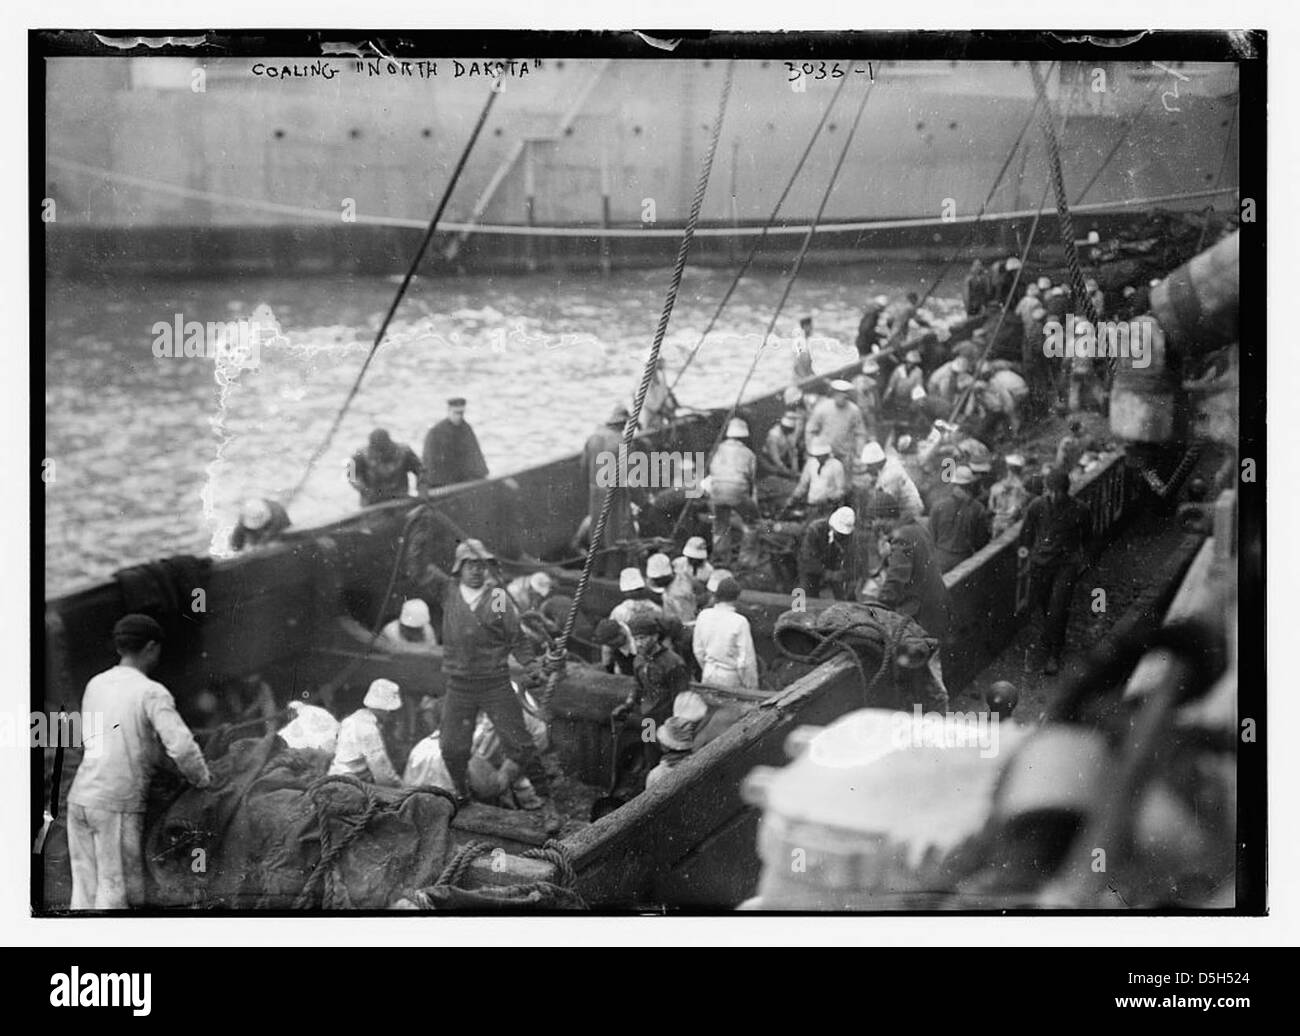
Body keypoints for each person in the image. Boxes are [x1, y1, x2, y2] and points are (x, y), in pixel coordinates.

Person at [66, 614, 212, 910]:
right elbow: (182, 747)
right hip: (115, 805)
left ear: (120, 648)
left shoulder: (96, 684)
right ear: (151, 648)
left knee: (83, 893)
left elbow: (100, 739)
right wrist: (202, 779)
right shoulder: (152, 692)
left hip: (80, 799)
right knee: (114, 893)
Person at [418, 538, 556, 812]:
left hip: (494, 683)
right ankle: (461, 792)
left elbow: (515, 637)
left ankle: (548, 803)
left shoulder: (496, 599)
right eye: (470, 565)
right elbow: (419, 568)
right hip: (460, 684)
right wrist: (418, 526)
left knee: (521, 745)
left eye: (481, 565)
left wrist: (530, 665)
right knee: (451, 747)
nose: (476, 570)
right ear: (459, 568)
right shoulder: (449, 592)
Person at [863, 495, 951, 691]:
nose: (873, 525)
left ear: (885, 517)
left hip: (923, 613)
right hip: (936, 606)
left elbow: (896, 580)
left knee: (929, 670)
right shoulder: (917, 528)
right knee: (932, 664)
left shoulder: (901, 537)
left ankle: (936, 713)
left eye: (874, 520)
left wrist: (877, 609)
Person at [1019, 467, 1091, 675]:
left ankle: (1055, 653)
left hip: (1065, 565)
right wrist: (1025, 558)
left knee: (1058, 609)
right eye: (1050, 491)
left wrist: (1085, 561)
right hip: (1040, 565)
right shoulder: (1037, 506)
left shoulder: (1080, 510)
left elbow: (1088, 538)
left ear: (1066, 491)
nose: (1054, 495)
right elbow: (1026, 536)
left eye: (1058, 491)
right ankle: (1048, 639)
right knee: (1043, 606)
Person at [329, 678, 404, 787]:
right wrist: (401, 786)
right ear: (387, 710)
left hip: (335, 777)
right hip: (349, 783)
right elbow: (382, 773)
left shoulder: (353, 719)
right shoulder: (369, 729)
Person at [581, 404, 636, 547]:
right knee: (616, 535)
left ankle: (598, 565)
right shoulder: (622, 442)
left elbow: (584, 468)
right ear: (623, 423)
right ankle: (615, 566)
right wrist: (644, 503)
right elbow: (632, 478)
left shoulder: (592, 438)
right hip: (614, 495)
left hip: (595, 493)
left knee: (597, 533)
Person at [706, 417, 758, 564]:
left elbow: (712, 471)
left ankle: (721, 559)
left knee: (720, 526)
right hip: (738, 491)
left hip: (717, 492)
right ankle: (745, 561)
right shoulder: (749, 454)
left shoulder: (717, 449)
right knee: (752, 524)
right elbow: (751, 481)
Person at [692, 576, 759, 690]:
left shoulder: (703, 615)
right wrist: (752, 686)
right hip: (731, 677)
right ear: (737, 597)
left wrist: (707, 667)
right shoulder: (740, 621)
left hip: (708, 672)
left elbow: (698, 650)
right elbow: (746, 660)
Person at [927, 465, 991, 572]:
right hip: (964, 559)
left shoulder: (938, 506)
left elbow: (930, 537)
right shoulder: (978, 509)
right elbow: (981, 541)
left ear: (954, 484)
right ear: (971, 485)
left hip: (940, 559)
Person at [420, 398, 489, 490]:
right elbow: (429, 463)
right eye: (456, 413)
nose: (459, 417)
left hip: (463, 481)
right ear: (449, 411)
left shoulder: (466, 429)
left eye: (461, 413)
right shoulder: (436, 432)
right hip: (442, 484)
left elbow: (476, 457)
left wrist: (480, 474)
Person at [644, 692, 709, 790]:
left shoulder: (655, 775)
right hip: (650, 715)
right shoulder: (700, 764)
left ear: (664, 746)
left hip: (655, 713)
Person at [348, 428, 422, 507]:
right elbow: (351, 476)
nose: (380, 455)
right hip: (372, 502)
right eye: (377, 452)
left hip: (400, 498)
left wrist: (422, 489)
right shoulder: (358, 455)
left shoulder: (405, 452)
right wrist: (364, 489)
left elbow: (421, 470)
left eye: (383, 450)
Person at [796, 505, 857, 601]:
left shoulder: (849, 537)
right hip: (812, 567)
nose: (841, 536)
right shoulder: (815, 530)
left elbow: (849, 557)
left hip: (833, 565)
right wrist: (829, 574)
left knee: (847, 595)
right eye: (839, 533)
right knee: (807, 591)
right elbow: (807, 559)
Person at [804, 380, 868, 470]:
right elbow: (810, 430)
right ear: (834, 394)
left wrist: (859, 452)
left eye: (845, 396)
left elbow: (860, 433)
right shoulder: (822, 408)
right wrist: (811, 449)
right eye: (839, 395)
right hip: (824, 453)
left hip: (845, 454)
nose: (842, 398)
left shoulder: (854, 410)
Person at [857, 441, 924, 521]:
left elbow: (885, 503)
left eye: (869, 466)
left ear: (876, 463)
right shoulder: (889, 461)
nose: (868, 468)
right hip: (902, 507)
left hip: (910, 511)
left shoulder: (890, 475)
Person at [787, 439, 846, 517]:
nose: (818, 458)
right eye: (817, 456)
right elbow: (803, 485)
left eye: (820, 456)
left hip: (828, 507)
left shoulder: (836, 465)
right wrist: (794, 497)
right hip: (811, 504)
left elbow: (841, 490)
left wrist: (829, 499)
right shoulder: (811, 463)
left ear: (826, 454)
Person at [989, 453, 1031, 537]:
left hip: (997, 523)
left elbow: (991, 507)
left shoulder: (995, 487)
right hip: (1013, 525)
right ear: (1021, 469)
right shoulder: (1023, 490)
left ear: (1008, 467)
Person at [640, 356, 679, 432]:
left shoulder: (661, 376)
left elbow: (665, 395)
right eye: (660, 361)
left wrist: (671, 405)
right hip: (647, 417)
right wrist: (663, 409)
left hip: (659, 418)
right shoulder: (643, 380)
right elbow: (648, 402)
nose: (663, 363)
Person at [763, 410, 803, 479]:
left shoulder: (789, 434)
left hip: (782, 459)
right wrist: (785, 471)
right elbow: (775, 457)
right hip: (768, 460)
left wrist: (795, 469)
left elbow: (793, 453)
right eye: (788, 430)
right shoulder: (774, 435)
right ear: (783, 427)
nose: (789, 432)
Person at [791, 316, 816, 381]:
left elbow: (808, 367)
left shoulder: (806, 342)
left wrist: (815, 378)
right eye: (810, 327)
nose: (812, 329)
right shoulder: (800, 342)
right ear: (805, 327)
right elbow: (797, 365)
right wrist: (806, 380)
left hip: (806, 379)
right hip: (800, 382)